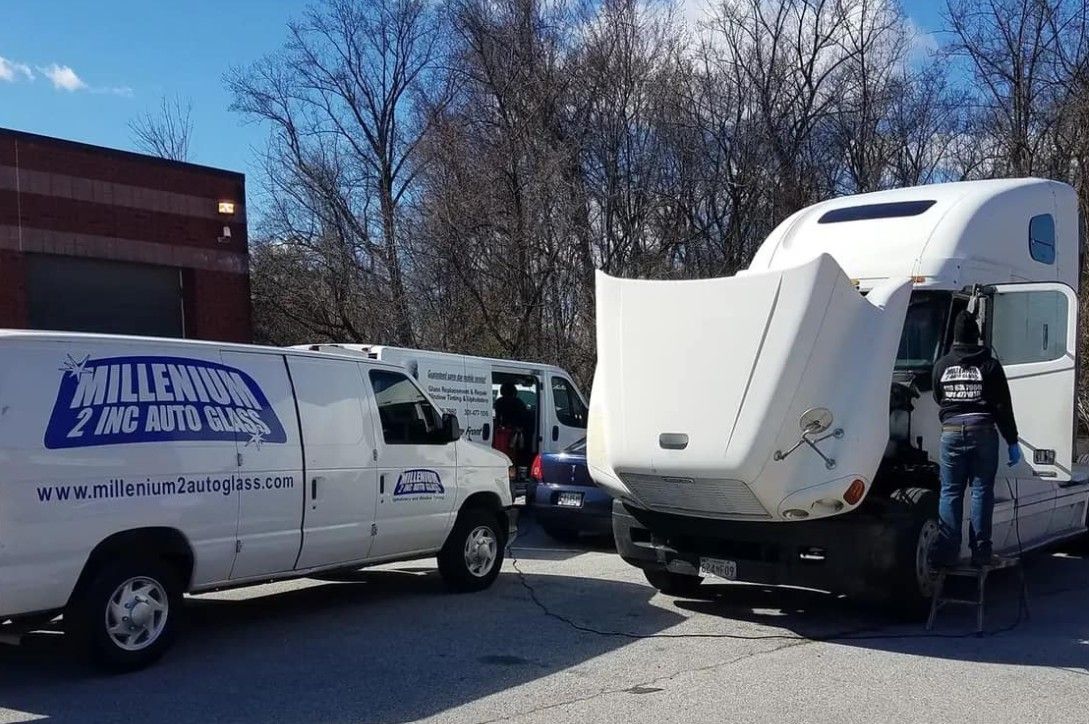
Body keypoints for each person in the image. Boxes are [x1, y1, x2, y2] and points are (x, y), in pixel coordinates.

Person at [931, 310, 1021, 568]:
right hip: (982, 432)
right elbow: (1003, 406)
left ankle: (947, 554)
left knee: (950, 492)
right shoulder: (990, 366)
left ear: (955, 338)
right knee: (981, 492)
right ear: (977, 336)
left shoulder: (942, 366)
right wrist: (1012, 440)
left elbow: (938, 397)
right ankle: (981, 554)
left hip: (950, 434)